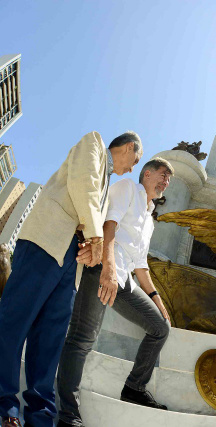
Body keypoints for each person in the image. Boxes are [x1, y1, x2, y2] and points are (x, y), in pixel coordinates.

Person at [0, 131, 142, 427]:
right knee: (13, 323)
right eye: (134, 160)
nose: (131, 169)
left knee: (49, 341)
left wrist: (93, 250)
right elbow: (82, 186)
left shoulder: (107, 185)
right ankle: (5, 408)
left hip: (71, 265)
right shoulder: (94, 143)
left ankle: (40, 417)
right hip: (45, 242)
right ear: (128, 147)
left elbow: (93, 221)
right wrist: (98, 241)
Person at [56, 158, 174, 426]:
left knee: (160, 327)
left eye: (169, 179)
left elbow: (141, 265)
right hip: (102, 268)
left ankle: (134, 388)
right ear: (146, 173)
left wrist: (157, 299)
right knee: (82, 338)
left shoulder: (150, 218)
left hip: (125, 279)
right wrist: (107, 270)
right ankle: (68, 415)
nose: (166, 181)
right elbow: (108, 227)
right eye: (163, 174)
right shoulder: (127, 188)